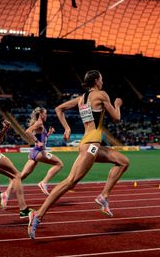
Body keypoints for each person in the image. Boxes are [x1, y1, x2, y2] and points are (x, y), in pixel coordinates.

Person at [28, 70, 129, 239]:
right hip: (91, 146)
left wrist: (67, 128)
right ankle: (38, 214)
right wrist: (117, 104)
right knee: (70, 182)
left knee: (123, 161)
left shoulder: (81, 98)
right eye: (102, 79)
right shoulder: (102, 94)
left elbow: (59, 109)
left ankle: (104, 196)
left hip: (90, 144)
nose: (102, 82)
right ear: (97, 80)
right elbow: (116, 118)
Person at [0, 107, 63, 208]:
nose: (46, 115)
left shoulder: (40, 124)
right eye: (45, 113)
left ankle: (6, 194)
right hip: (38, 152)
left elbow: (42, 138)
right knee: (59, 164)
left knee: (21, 176)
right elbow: (28, 131)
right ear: (41, 114)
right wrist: (37, 142)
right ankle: (44, 182)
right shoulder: (39, 123)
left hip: (34, 153)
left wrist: (48, 134)